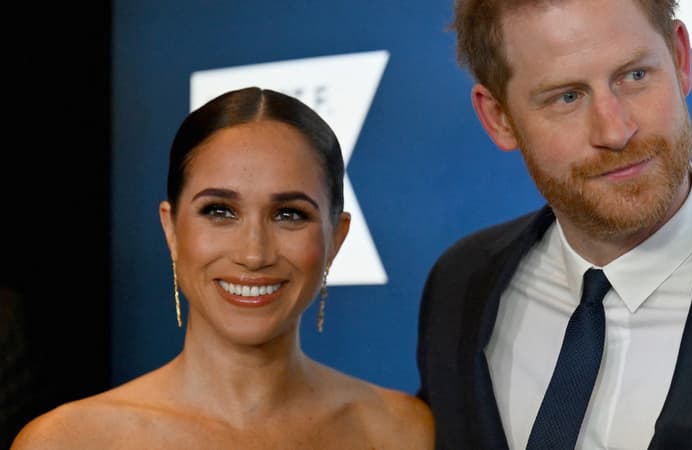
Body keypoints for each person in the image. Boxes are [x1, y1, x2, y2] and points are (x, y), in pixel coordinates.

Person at [416, 1, 692, 449]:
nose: (615, 131)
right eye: (567, 97)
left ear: (679, 59)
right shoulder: (462, 283)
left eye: (635, 76)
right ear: (500, 118)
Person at [13, 87, 434, 449]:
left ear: (335, 240)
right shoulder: (69, 441)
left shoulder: (403, 432)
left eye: (289, 214)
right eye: (219, 211)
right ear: (171, 229)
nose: (254, 254)